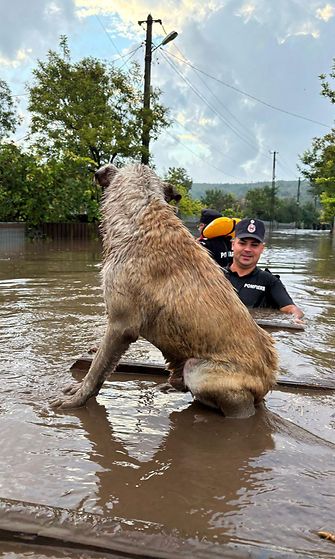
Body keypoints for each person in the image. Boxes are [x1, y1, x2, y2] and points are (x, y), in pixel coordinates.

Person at [224, 218, 304, 321]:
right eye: (242, 243)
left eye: (254, 245)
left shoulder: (270, 281)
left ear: (262, 248)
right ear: (233, 244)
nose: (247, 249)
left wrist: (296, 318)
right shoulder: (216, 276)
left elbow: (291, 309)